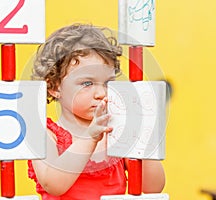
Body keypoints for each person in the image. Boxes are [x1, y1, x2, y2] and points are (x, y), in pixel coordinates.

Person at [28, 23, 165, 200]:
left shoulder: (115, 134)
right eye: (87, 83)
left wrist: (139, 139)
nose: (101, 93)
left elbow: (154, 187)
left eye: (108, 83)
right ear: (54, 87)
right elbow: (53, 184)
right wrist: (90, 137)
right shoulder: (45, 134)